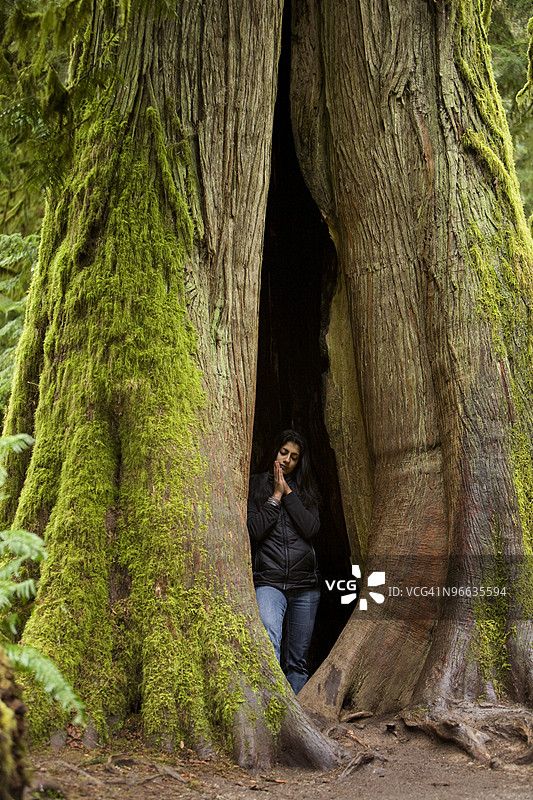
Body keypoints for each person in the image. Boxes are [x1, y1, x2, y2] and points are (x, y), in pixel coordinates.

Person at [247, 429, 321, 694]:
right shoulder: (255, 484)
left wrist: (288, 493)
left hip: (305, 586)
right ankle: (272, 708)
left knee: (298, 662)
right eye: (283, 452)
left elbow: (311, 528)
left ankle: (297, 718)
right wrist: (275, 496)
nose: (287, 459)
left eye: (294, 456)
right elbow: (255, 530)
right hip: (269, 582)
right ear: (274, 451)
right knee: (269, 644)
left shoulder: (306, 490)